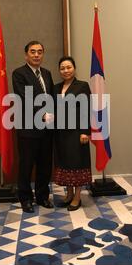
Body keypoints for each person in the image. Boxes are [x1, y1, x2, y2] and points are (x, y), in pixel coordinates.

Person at [12, 41, 54, 213]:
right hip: (28, 128)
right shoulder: (19, 74)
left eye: (40, 52)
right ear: (26, 55)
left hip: (47, 128)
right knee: (26, 165)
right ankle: (26, 198)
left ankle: (43, 196)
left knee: (45, 164)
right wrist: (42, 114)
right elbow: (25, 98)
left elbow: (50, 97)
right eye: (33, 52)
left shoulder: (47, 73)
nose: (37, 55)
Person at [53, 56, 92, 211]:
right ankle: (68, 194)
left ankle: (77, 197)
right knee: (65, 163)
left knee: (77, 163)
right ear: (59, 70)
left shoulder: (82, 86)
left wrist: (85, 132)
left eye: (68, 67)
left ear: (74, 68)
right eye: (62, 68)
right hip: (60, 133)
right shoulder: (56, 88)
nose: (65, 70)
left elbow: (86, 110)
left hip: (77, 133)